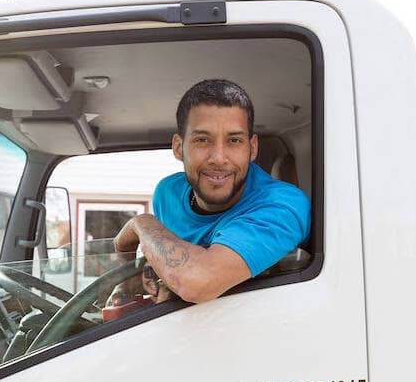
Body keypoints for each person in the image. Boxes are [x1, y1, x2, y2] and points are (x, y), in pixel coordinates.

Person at [114, 79, 311, 304]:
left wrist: (140, 224)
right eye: (202, 140)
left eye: (234, 140)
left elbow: (196, 282)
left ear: (252, 147)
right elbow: (173, 263)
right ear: (179, 148)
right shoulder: (167, 192)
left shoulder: (284, 205)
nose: (218, 158)